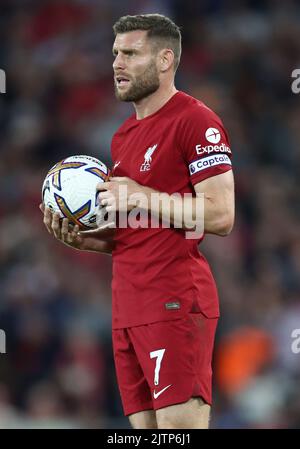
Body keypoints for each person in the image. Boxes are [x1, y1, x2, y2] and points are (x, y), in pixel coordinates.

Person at [40, 14, 235, 429]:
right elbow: (145, 227)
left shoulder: (195, 120)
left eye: (130, 53)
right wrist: (92, 242)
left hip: (174, 300)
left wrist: (141, 195)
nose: (117, 63)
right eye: (115, 53)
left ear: (165, 60)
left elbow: (220, 214)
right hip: (127, 305)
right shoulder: (123, 136)